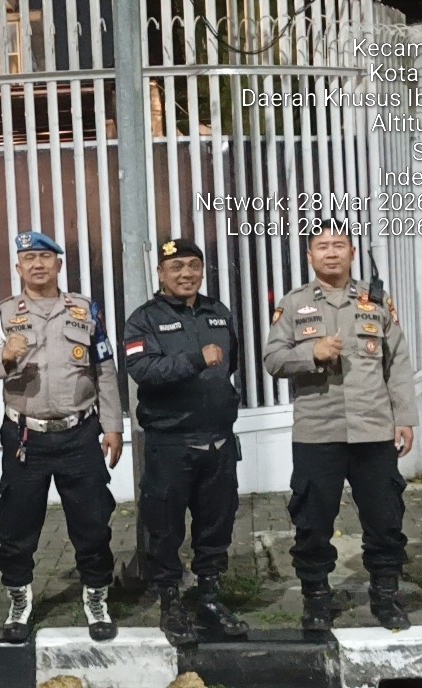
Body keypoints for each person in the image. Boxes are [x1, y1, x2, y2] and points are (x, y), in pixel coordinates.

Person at [0, 231, 123, 644]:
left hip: (80, 434)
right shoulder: (1, 315)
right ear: (18, 268)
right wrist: (4, 357)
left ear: (59, 264)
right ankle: (18, 599)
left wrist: (113, 426)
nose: (37, 264)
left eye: (45, 257)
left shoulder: (85, 310)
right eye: (29, 258)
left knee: (93, 523)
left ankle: (96, 597)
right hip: (25, 438)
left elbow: (104, 371)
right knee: (16, 528)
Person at [262, 223, 417, 632]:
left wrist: (404, 417)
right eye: (322, 246)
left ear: (351, 253)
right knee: (313, 522)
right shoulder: (294, 304)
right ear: (310, 256)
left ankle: (385, 597)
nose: (331, 253)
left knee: (385, 519)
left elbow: (397, 362)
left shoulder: (376, 301)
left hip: (373, 431)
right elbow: (272, 359)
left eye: (339, 245)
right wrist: (311, 353)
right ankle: (316, 599)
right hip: (317, 432)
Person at [122, 238, 249, 646]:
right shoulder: (144, 320)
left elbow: (232, 364)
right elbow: (143, 370)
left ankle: (209, 597)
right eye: (176, 267)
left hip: (217, 442)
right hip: (171, 444)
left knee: (216, 525)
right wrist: (195, 359)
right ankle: (170, 601)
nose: (186, 274)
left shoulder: (218, 312)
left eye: (193, 265)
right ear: (161, 273)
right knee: (165, 528)